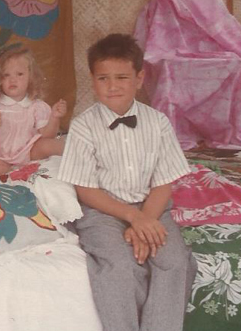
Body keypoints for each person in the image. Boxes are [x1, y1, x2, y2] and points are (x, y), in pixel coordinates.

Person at [57, 34, 196, 331]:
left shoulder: (158, 123)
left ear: (139, 78)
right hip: (101, 212)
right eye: (103, 78)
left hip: (152, 208)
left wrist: (146, 220)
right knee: (119, 265)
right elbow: (85, 189)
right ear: (93, 80)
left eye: (121, 77)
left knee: (174, 261)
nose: (112, 86)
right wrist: (133, 217)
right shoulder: (83, 127)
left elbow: (163, 182)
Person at [0, 47, 67, 177]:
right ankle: (11, 173)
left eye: (19, 74)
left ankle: (80, 156)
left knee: (50, 144)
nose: (12, 80)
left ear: (31, 78)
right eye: (6, 75)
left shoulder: (36, 106)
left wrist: (55, 117)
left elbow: (47, 135)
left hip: (28, 152)